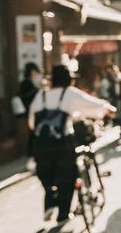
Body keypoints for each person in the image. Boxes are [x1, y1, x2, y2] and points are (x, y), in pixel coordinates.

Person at [28, 65, 115, 224]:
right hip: (62, 144)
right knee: (68, 175)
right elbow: (94, 104)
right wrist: (109, 109)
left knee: (48, 175)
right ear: (69, 79)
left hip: (40, 144)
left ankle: (50, 201)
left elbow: (32, 124)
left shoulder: (41, 95)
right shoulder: (69, 93)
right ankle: (63, 213)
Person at [17, 62, 42, 165]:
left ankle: (33, 156)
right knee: (33, 134)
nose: (37, 75)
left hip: (30, 113)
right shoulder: (27, 83)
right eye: (36, 72)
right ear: (32, 72)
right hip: (31, 113)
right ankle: (32, 156)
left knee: (33, 134)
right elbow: (31, 98)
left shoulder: (27, 83)